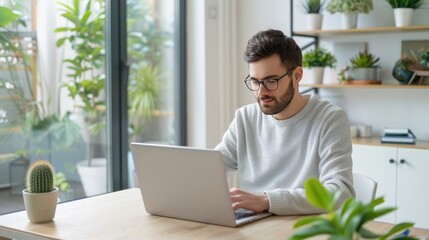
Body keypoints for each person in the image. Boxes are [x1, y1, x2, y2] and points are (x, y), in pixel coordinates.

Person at [215, 29, 354, 215]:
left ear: (297, 76)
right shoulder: (245, 118)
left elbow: (340, 194)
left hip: (304, 228)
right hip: (252, 227)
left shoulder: (329, 119)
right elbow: (209, 171)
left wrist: (267, 200)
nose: (261, 92)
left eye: (271, 81)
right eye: (255, 81)